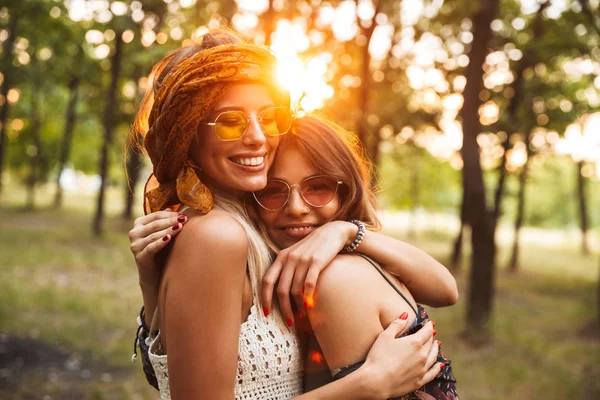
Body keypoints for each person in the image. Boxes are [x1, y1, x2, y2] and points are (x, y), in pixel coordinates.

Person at [131, 65, 459, 397]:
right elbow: (175, 377)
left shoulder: (318, 266)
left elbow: (446, 290)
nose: (297, 207)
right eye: (230, 121)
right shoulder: (228, 237)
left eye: (318, 187)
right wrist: (367, 385)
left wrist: (348, 232)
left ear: (346, 190)